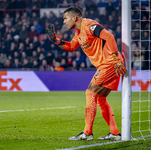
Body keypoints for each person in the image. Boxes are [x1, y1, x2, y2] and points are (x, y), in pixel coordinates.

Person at [46, 6, 127, 141]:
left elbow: (109, 36)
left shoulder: (89, 25)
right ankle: (114, 133)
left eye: (65, 18)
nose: (64, 22)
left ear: (75, 17)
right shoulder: (78, 32)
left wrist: (116, 58)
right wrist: (56, 40)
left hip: (110, 63)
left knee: (90, 92)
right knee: (100, 99)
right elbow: (71, 47)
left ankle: (87, 133)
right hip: (107, 64)